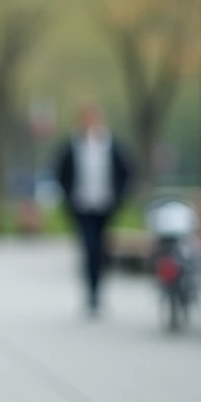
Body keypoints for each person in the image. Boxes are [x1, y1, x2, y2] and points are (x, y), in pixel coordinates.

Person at [54, 103, 132, 315]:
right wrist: (68, 197)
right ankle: (91, 293)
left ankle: (99, 290)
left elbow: (127, 171)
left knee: (102, 249)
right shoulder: (73, 145)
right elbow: (61, 173)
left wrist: (120, 197)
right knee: (89, 247)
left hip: (105, 205)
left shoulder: (111, 145)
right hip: (81, 205)